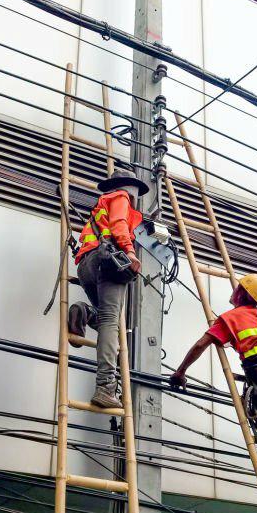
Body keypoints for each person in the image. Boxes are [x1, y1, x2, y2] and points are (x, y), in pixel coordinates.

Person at [169, 274, 257, 510]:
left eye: (239, 287)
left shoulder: (230, 317)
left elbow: (201, 344)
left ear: (242, 293)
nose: (235, 290)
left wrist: (180, 371)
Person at [68, 168, 148, 410]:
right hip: (109, 262)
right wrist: (130, 252)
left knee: (105, 320)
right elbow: (119, 225)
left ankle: (84, 312)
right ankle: (105, 387)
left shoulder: (101, 204)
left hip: (86, 265)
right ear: (129, 188)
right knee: (112, 323)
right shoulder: (121, 198)